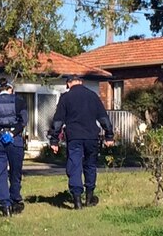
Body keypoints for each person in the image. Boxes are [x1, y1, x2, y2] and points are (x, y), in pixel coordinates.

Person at [48, 74, 114, 210]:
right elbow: (103, 117)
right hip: (92, 136)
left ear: (68, 84)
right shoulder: (93, 96)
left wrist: (54, 140)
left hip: (74, 137)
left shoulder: (66, 97)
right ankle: (89, 197)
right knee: (90, 165)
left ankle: (77, 200)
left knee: (75, 165)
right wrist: (109, 136)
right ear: (81, 82)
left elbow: (58, 120)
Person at [0, 78, 28, 217]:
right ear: (11, 90)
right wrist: (12, 133)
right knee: (15, 172)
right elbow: (24, 121)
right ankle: (15, 199)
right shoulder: (19, 101)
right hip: (15, 140)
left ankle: (5, 205)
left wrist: (0, 134)